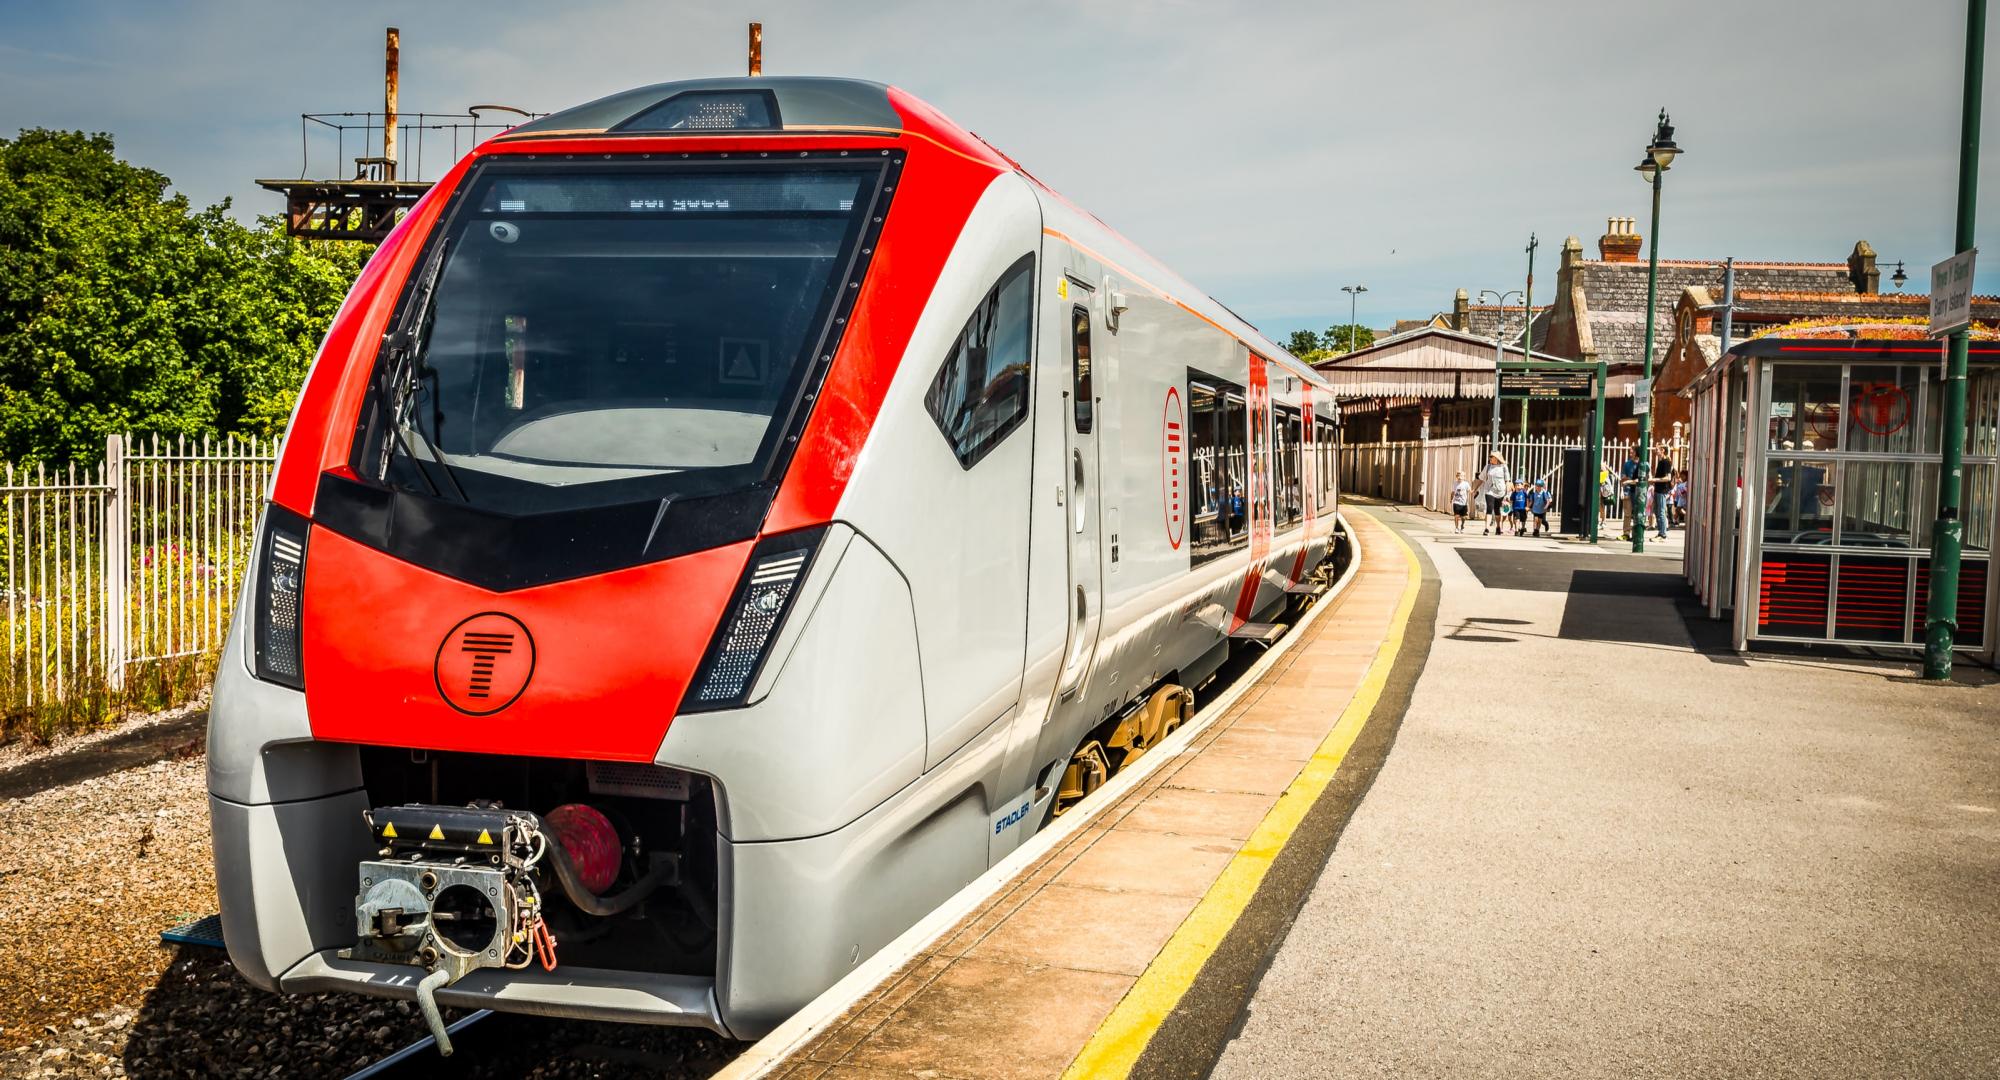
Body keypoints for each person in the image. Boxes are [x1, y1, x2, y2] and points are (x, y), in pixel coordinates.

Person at [1480, 452, 1510, 536]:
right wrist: (1474, 489)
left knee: (1497, 510)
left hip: (1500, 491)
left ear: (1496, 458)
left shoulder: (1504, 467)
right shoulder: (1488, 467)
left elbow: (1507, 481)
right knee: (1489, 508)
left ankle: (1498, 527)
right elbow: (1481, 478)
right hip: (1489, 490)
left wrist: (1507, 494)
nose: (1490, 458)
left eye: (1491, 457)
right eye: (1490, 456)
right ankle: (1487, 528)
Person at [1619, 451, 1646, 540]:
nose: (1630, 454)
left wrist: (1629, 480)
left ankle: (1636, 533)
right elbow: (1623, 478)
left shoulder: (1643, 464)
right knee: (1627, 514)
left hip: (1638, 492)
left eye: (1632, 452)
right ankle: (1626, 533)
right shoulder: (1627, 464)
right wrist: (1623, 488)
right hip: (1628, 491)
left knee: (1637, 514)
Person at [1652, 451, 1673, 539]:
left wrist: (1655, 480)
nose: (1655, 451)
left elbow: (1668, 478)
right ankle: (1660, 532)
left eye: (1657, 449)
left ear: (1663, 450)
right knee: (1657, 511)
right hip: (1658, 490)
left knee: (1661, 512)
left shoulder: (1666, 462)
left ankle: (1663, 533)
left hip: (1662, 490)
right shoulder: (1660, 462)